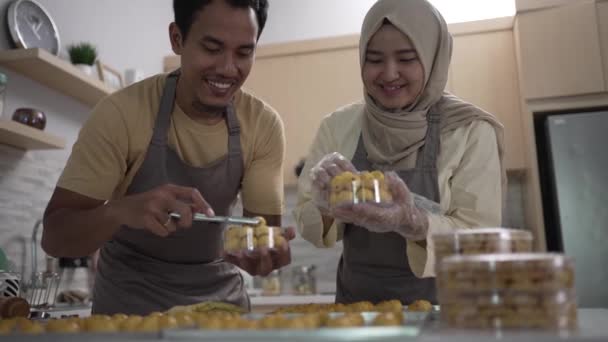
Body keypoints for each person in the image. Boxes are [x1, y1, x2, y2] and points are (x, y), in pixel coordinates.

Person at [41, 0, 294, 315]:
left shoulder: (263, 125)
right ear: (177, 38)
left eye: (244, 52)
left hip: (221, 313)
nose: (229, 69)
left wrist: (263, 256)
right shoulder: (121, 113)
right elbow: (54, 238)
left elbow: (261, 240)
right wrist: (119, 211)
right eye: (212, 48)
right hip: (127, 315)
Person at [294, 0, 506, 305]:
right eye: (374, 59)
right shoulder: (338, 126)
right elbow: (311, 228)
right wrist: (326, 206)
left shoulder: (470, 131)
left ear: (434, 58)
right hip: (359, 315)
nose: (389, 74)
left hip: (446, 314)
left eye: (406, 59)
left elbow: (479, 240)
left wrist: (413, 222)